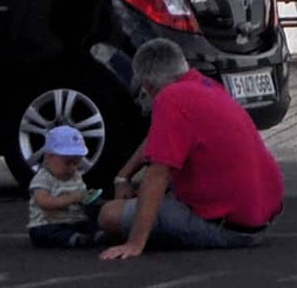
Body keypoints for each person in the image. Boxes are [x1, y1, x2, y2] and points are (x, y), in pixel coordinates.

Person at [96, 39, 283, 258]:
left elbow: (157, 176)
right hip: (259, 217)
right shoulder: (205, 85)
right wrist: (123, 176)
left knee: (108, 215)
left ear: (147, 85)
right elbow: (158, 136)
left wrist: (135, 243)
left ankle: (140, 231)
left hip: (226, 227)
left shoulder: (169, 100)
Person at [25, 122, 100, 248]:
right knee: (44, 234)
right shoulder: (43, 178)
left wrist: (87, 198)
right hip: (47, 223)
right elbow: (43, 201)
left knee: (91, 220)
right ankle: (74, 239)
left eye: (76, 163)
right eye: (67, 163)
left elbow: (81, 193)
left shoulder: (76, 176)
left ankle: (96, 234)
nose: (71, 168)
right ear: (49, 157)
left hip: (73, 220)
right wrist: (70, 199)